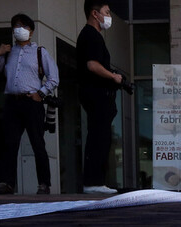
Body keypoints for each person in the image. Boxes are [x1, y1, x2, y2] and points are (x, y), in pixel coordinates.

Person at [0, 13, 59, 195]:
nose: (20, 30)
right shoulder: (8, 52)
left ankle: (44, 184)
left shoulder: (40, 52)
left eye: (24, 27)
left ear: (31, 31)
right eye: (17, 26)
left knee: (37, 143)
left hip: (31, 102)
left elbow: (54, 77)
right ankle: (6, 183)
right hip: (12, 101)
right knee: (9, 144)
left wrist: (40, 94)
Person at [77, 1, 123, 195]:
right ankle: (93, 181)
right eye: (106, 12)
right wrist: (113, 76)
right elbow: (92, 65)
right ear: (95, 14)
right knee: (98, 137)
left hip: (95, 94)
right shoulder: (91, 35)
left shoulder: (91, 36)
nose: (109, 16)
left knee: (101, 136)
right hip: (96, 94)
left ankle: (96, 181)